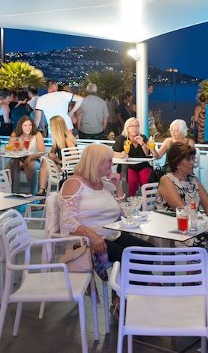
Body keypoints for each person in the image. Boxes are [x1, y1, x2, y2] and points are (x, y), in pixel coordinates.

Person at [59, 143, 151, 286]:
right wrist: (92, 235)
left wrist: (118, 185)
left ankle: (129, 292)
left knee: (148, 250)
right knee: (131, 257)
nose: (112, 163)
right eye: (109, 160)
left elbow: (123, 212)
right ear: (96, 162)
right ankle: (131, 293)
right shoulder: (74, 184)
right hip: (86, 241)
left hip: (111, 234)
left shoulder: (103, 183)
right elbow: (67, 221)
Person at [112, 117, 153, 197]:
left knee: (146, 180)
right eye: (132, 126)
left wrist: (142, 144)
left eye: (136, 126)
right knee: (132, 181)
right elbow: (112, 153)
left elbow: (147, 153)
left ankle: (146, 201)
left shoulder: (143, 137)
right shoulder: (122, 138)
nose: (134, 128)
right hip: (127, 166)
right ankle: (130, 201)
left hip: (142, 165)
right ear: (127, 128)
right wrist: (121, 155)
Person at [7, 116, 46, 194]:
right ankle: (11, 191)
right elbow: (10, 148)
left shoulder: (37, 134)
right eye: (25, 125)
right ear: (20, 126)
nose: (28, 128)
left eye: (29, 125)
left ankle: (32, 192)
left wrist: (30, 157)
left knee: (30, 166)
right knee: (11, 165)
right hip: (18, 159)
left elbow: (42, 152)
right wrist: (16, 148)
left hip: (34, 159)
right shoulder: (15, 134)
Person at [40, 115, 77, 193]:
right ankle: (42, 189)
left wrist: (59, 160)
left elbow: (74, 156)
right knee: (45, 160)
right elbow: (51, 153)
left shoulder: (67, 139)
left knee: (46, 163)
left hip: (68, 168)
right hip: (62, 165)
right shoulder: (58, 139)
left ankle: (42, 189)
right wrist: (52, 155)